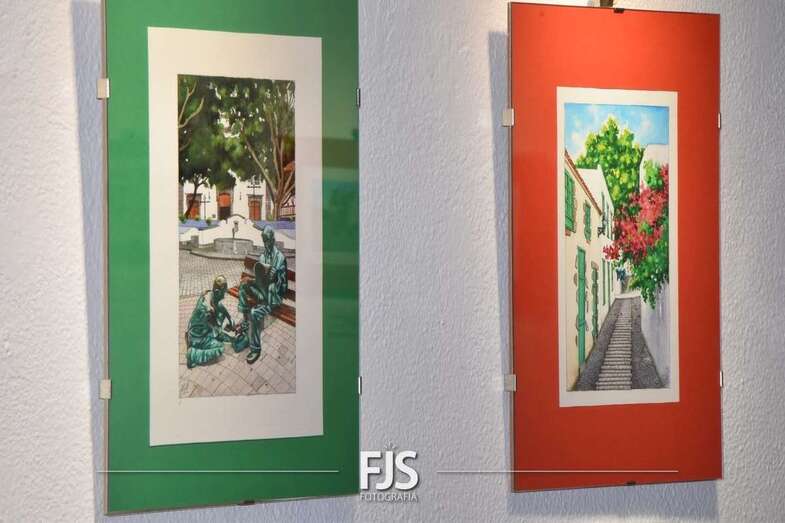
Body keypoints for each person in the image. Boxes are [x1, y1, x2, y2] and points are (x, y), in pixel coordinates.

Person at [236, 226, 288, 364]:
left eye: (268, 240)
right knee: (243, 286)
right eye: (264, 241)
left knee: (254, 313)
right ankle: (246, 326)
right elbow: (259, 278)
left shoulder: (280, 258)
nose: (266, 244)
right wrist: (251, 280)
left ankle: (255, 349)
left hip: (272, 297)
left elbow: (284, 288)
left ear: (273, 239)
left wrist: (277, 276)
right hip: (261, 291)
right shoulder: (263, 256)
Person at [185, 275, 234, 368]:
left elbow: (219, 305)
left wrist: (229, 317)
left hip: (195, 329)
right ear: (217, 291)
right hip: (197, 338)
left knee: (220, 317)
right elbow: (216, 327)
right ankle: (193, 354)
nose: (224, 296)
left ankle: (195, 341)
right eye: (223, 293)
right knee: (220, 348)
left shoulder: (209, 294)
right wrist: (228, 335)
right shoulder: (208, 310)